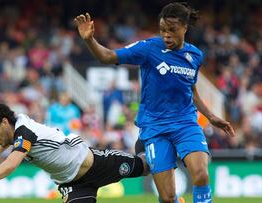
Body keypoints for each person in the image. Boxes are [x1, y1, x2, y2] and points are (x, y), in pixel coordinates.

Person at [74, 3, 235, 203]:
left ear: (184, 28)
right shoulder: (148, 48)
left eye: (172, 30)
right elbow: (108, 56)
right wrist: (90, 40)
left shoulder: (195, 55)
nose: (166, 35)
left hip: (186, 123)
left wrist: (211, 117)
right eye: (163, 30)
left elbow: (191, 91)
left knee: (201, 175)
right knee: (167, 198)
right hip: (155, 128)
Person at [0, 103, 148, 203]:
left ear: (3, 122)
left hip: (96, 164)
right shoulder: (16, 124)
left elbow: (11, 165)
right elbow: (8, 136)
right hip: (73, 185)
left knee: (146, 166)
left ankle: (147, 132)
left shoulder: (25, 132)